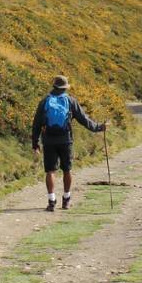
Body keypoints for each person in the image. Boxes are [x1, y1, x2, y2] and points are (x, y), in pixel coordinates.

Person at [31, 75, 105, 212]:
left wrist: (35, 143)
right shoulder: (70, 101)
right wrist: (98, 127)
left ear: (54, 86)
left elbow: (36, 124)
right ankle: (66, 199)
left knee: (50, 171)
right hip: (66, 140)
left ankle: (51, 201)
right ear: (65, 88)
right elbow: (84, 119)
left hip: (48, 140)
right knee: (67, 170)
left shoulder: (44, 102)